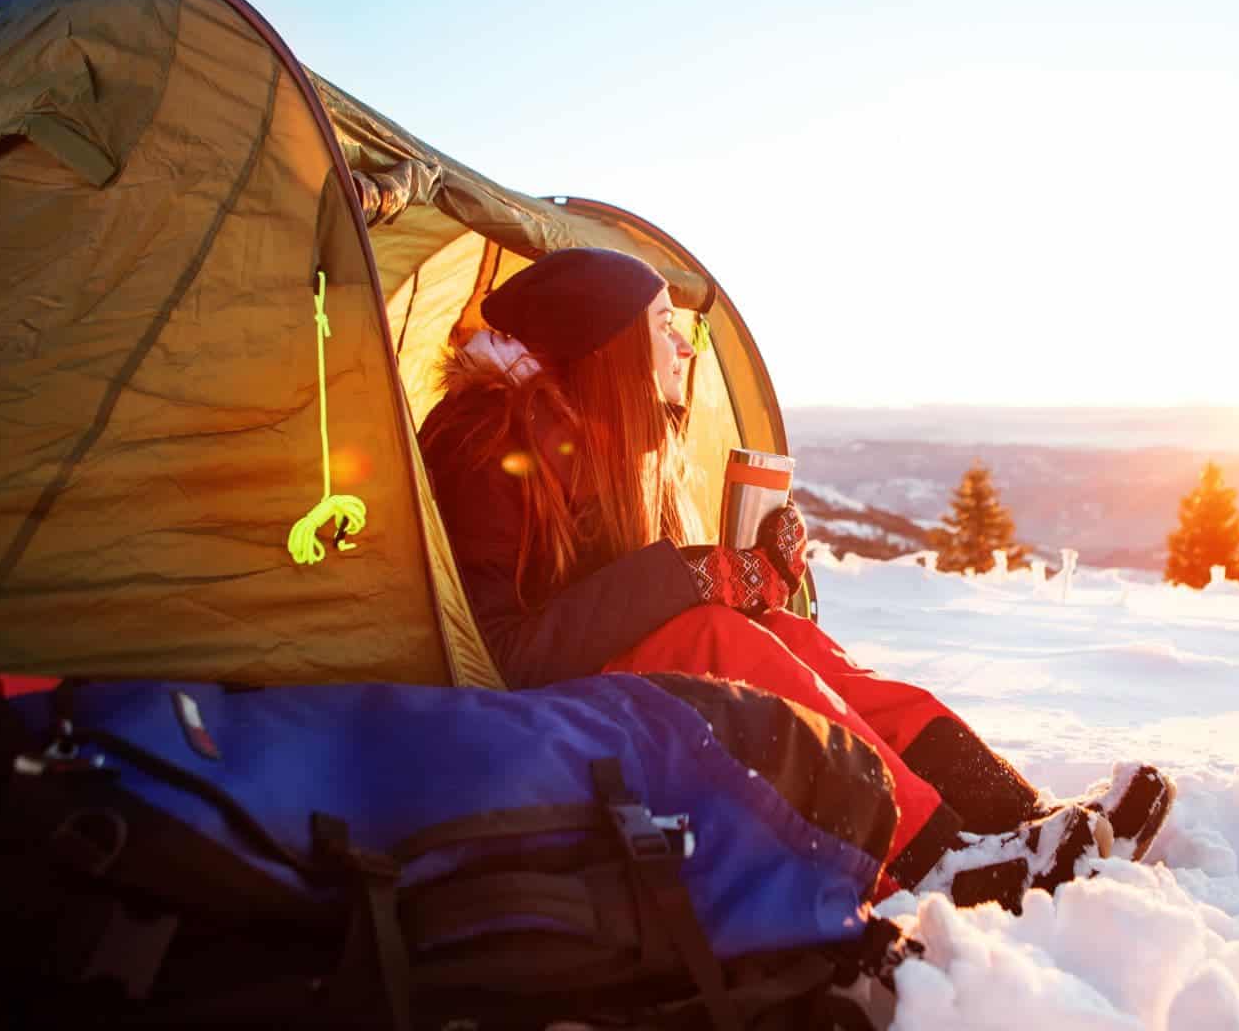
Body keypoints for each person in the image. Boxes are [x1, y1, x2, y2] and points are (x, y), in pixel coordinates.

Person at [417, 247, 1173, 909]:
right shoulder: (486, 448)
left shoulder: (594, 437)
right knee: (713, 635)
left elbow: (615, 591)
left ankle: (1009, 812)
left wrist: (749, 573)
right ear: (609, 350)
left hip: (603, 691)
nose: (682, 345)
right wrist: (695, 580)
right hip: (530, 725)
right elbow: (503, 657)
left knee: (772, 633)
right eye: (659, 326)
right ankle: (931, 859)